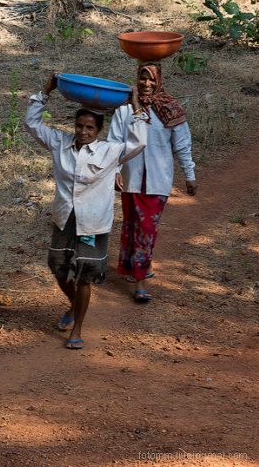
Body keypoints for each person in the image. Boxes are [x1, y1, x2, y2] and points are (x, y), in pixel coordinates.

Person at [24, 74, 147, 349]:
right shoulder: (59, 143)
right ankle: (74, 306)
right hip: (65, 218)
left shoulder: (110, 151)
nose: (83, 132)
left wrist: (135, 105)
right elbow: (32, 124)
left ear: (98, 130)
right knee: (57, 267)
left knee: (85, 274)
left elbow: (139, 142)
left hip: (93, 223)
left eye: (89, 128)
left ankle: (76, 327)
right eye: (79, 126)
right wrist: (46, 90)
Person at [107, 62, 197, 302]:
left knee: (147, 230)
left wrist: (190, 175)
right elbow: (115, 142)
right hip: (131, 179)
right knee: (131, 225)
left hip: (158, 180)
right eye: (142, 79)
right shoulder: (124, 111)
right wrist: (115, 170)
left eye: (151, 80)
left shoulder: (170, 109)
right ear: (136, 80)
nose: (146, 84)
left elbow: (182, 145)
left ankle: (140, 282)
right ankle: (132, 268)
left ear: (159, 82)